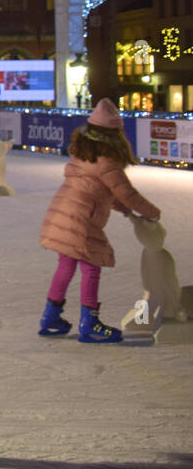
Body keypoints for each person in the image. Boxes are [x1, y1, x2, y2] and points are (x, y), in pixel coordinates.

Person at [38, 99, 160, 342]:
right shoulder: (108, 160)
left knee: (66, 264)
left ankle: (50, 317)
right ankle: (90, 323)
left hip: (63, 214)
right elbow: (125, 192)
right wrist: (153, 212)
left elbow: (103, 192)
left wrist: (124, 211)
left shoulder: (84, 154)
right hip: (81, 221)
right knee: (91, 266)